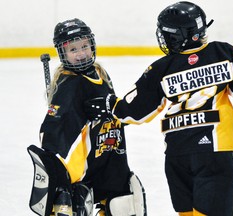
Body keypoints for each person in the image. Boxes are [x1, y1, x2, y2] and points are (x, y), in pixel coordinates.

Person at [84, 2, 233, 216]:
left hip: (177, 157)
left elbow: (134, 111)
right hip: (214, 157)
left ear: (181, 36)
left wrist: (110, 105)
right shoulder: (223, 52)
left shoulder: (161, 68)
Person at [27, 18, 146, 216]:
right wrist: (60, 179)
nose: (81, 54)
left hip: (108, 154)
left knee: (122, 204)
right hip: (86, 166)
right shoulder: (69, 84)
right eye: (73, 50)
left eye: (85, 46)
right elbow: (55, 130)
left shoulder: (100, 73)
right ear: (62, 53)